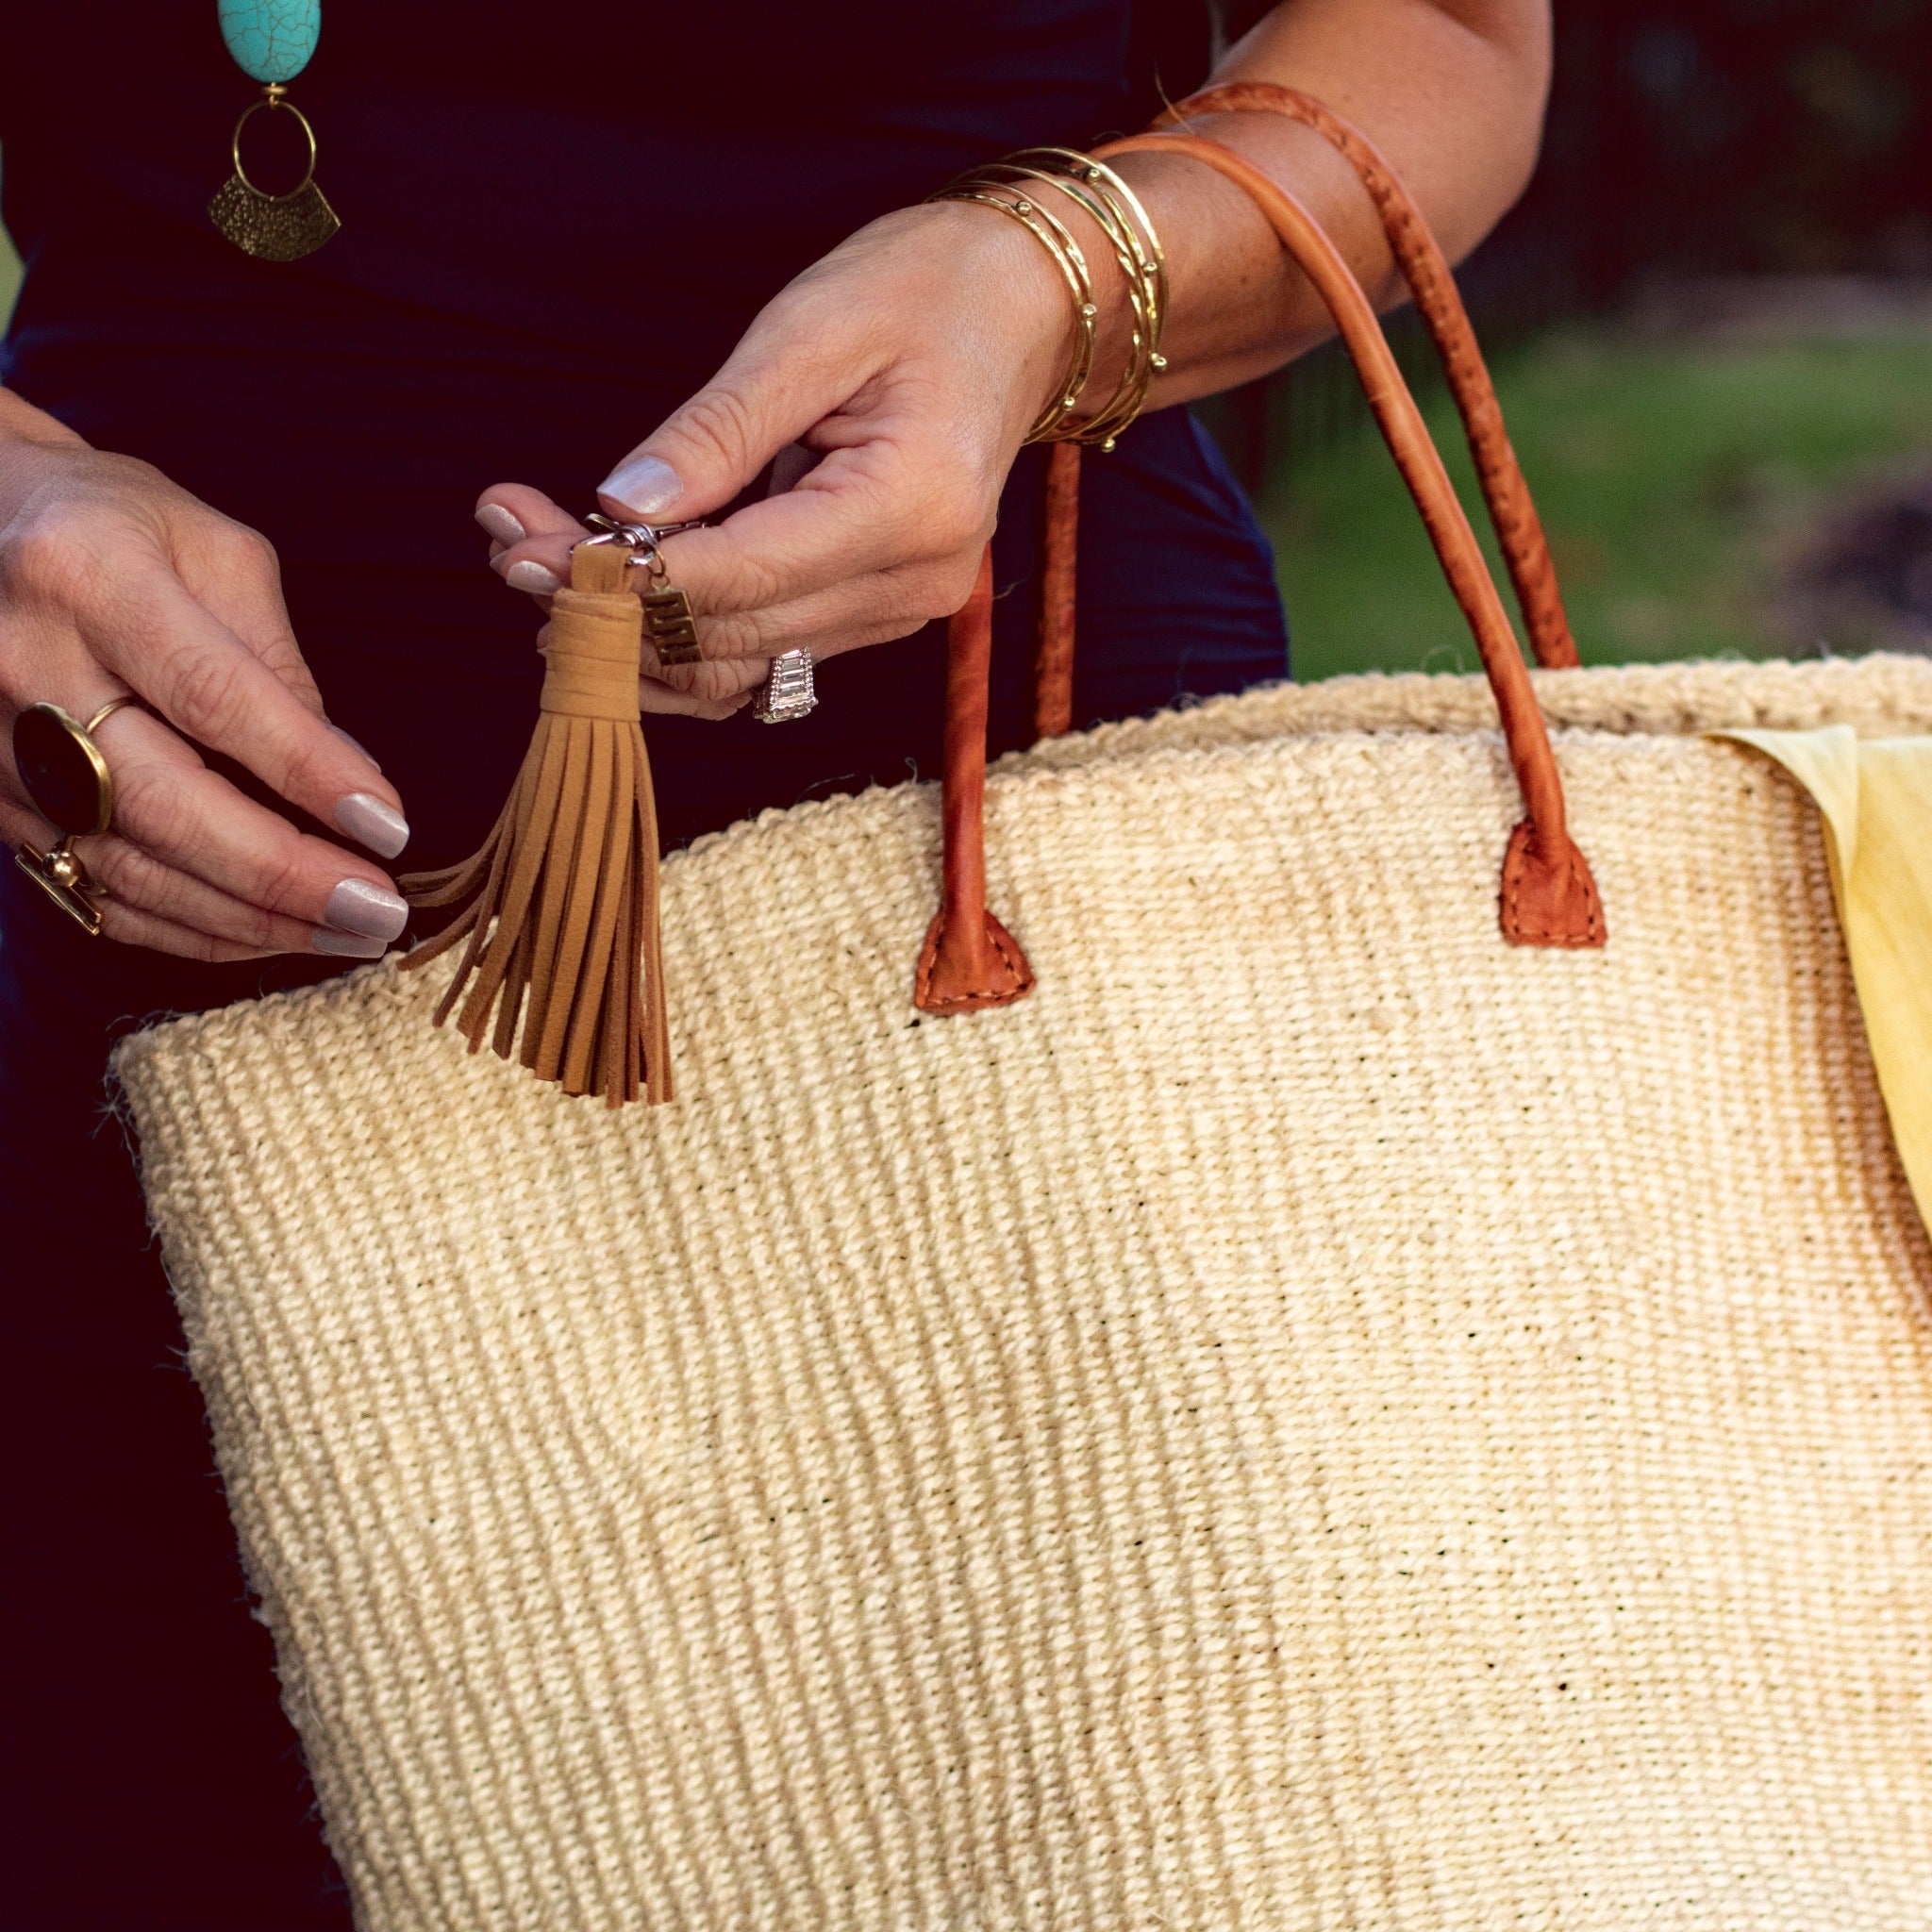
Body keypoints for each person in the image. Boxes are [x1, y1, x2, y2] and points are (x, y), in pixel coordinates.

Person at [0, 1, 1551, 1922]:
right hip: (150, 834)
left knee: (1122, 1804)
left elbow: (1448, 38)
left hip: (1013, 863)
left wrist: (1051, 281)